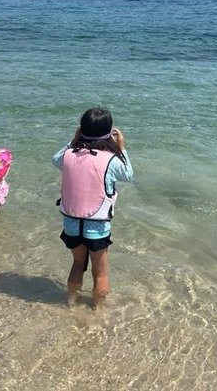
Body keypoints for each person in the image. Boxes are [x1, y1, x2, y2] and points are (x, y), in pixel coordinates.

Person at [52, 107, 133, 308]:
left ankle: (70, 302)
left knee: (78, 264)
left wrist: (73, 139)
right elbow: (128, 174)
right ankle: (97, 311)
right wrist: (122, 147)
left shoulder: (68, 154)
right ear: (109, 133)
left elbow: (55, 159)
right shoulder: (111, 160)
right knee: (101, 271)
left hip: (71, 223)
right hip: (96, 226)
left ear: (81, 130)